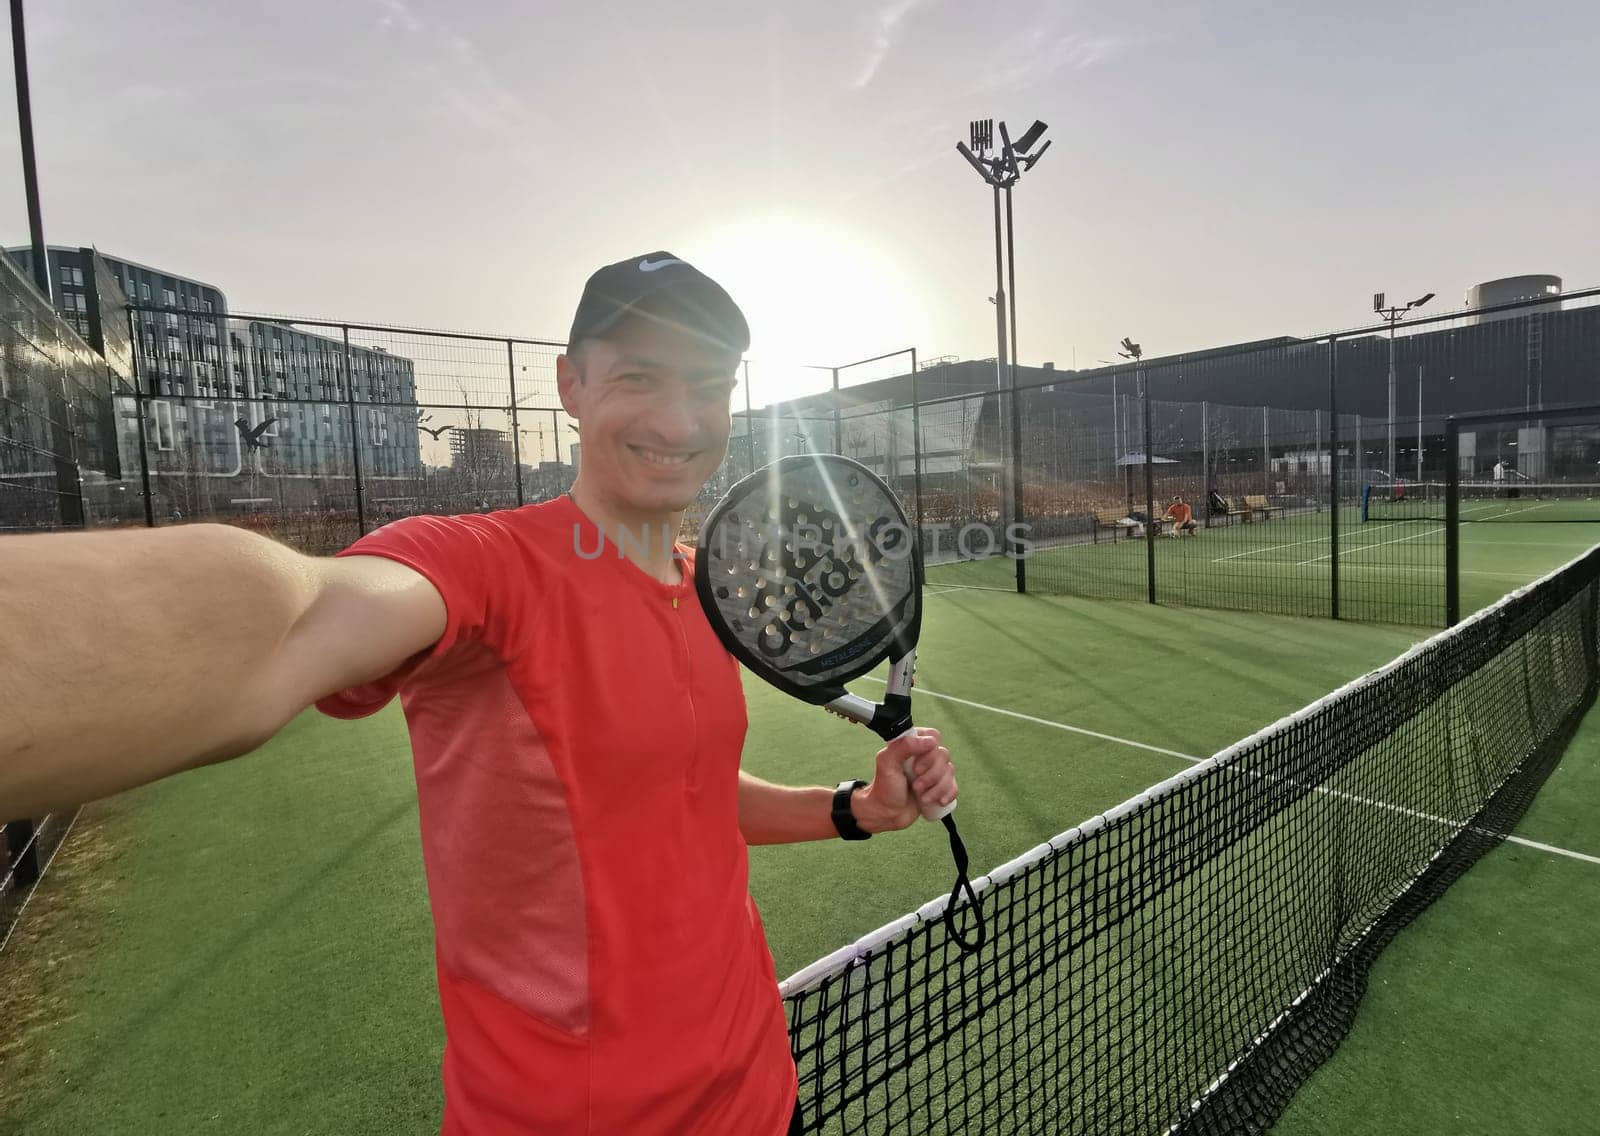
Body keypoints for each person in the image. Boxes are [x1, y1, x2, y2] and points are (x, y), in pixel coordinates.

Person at [0, 251, 960, 1136]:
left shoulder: (699, 585)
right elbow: (295, 617)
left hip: (757, 1090)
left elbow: (693, 800)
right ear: (570, 386)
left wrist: (855, 810)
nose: (678, 420)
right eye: (638, 378)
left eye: (707, 387)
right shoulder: (485, 565)